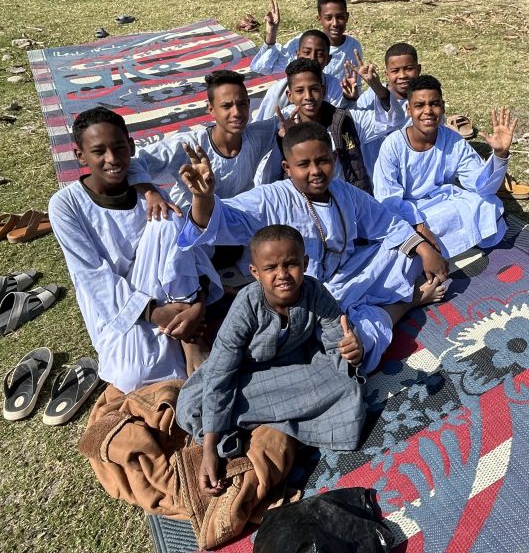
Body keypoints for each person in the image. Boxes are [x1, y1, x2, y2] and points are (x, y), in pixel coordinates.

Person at [177, 121, 449, 374]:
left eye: (322, 161)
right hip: (304, 295)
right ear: (287, 168)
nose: (315, 171)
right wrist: (203, 198)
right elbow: (223, 219)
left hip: (349, 274)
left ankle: (381, 305)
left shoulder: (343, 191)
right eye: (303, 164)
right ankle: (406, 303)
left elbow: (386, 222)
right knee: (345, 350)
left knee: (412, 255)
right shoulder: (272, 198)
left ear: (333, 159)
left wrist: (424, 250)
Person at [175, 225, 368, 495]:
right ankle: (273, 424)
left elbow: (339, 349)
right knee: (191, 405)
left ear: (305, 263)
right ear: (255, 273)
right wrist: (208, 450)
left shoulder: (316, 293)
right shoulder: (246, 306)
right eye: (271, 268)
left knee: (349, 385)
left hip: (294, 373)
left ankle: (252, 425)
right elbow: (221, 373)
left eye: (291, 264)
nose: (282, 275)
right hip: (243, 378)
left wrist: (352, 352)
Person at [48, 107, 222, 393]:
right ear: (81, 156)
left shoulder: (149, 196)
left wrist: (198, 304)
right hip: (122, 308)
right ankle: (182, 330)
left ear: (130, 146)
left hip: (171, 294)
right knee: (133, 378)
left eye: (119, 148)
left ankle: (191, 341)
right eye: (99, 151)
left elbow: (185, 252)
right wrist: (155, 313)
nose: (113, 159)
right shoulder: (66, 205)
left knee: (169, 220)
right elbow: (93, 277)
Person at [373, 75, 516, 256]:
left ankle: (443, 247)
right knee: (409, 231)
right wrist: (418, 225)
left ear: (442, 106)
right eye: (419, 105)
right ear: (409, 109)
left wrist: (500, 154)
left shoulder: (452, 139)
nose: (428, 111)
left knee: (489, 204)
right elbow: (387, 199)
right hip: (411, 212)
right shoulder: (393, 145)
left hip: (445, 203)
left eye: (434, 104)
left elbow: (481, 185)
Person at [126, 70, 281, 216]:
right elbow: (132, 162)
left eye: (242, 104)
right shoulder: (189, 146)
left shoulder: (256, 136)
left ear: (248, 103)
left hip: (234, 219)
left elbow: (286, 118)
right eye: (226, 106)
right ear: (211, 109)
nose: (237, 113)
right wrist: (151, 193)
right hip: (189, 222)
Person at [281, 57, 400, 193]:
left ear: (323, 90)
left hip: (350, 202)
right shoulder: (282, 125)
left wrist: (377, 87)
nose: (308, 96)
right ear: (289, 95)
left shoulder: (346, 121)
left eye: (314, 89)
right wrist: (286, 138)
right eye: (300, 91)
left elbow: (392, 120)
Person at [249, 0, 363, 80]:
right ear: (319, 19)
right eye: (328, 18)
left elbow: (355, 84)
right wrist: (271, 34)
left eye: (340, 17)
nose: (335, 23)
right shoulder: (305, 43)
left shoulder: (353, 47)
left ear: (347, 17)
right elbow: (261, 68)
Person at [254, 28, 352, 119]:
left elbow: (338, 120)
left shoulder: (334, 85)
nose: (312, 58)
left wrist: (351, 99)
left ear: (328, 60)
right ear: (297, 55)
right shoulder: (277, 91)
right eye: (306, 52)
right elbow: (262, 126)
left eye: (320, 54)